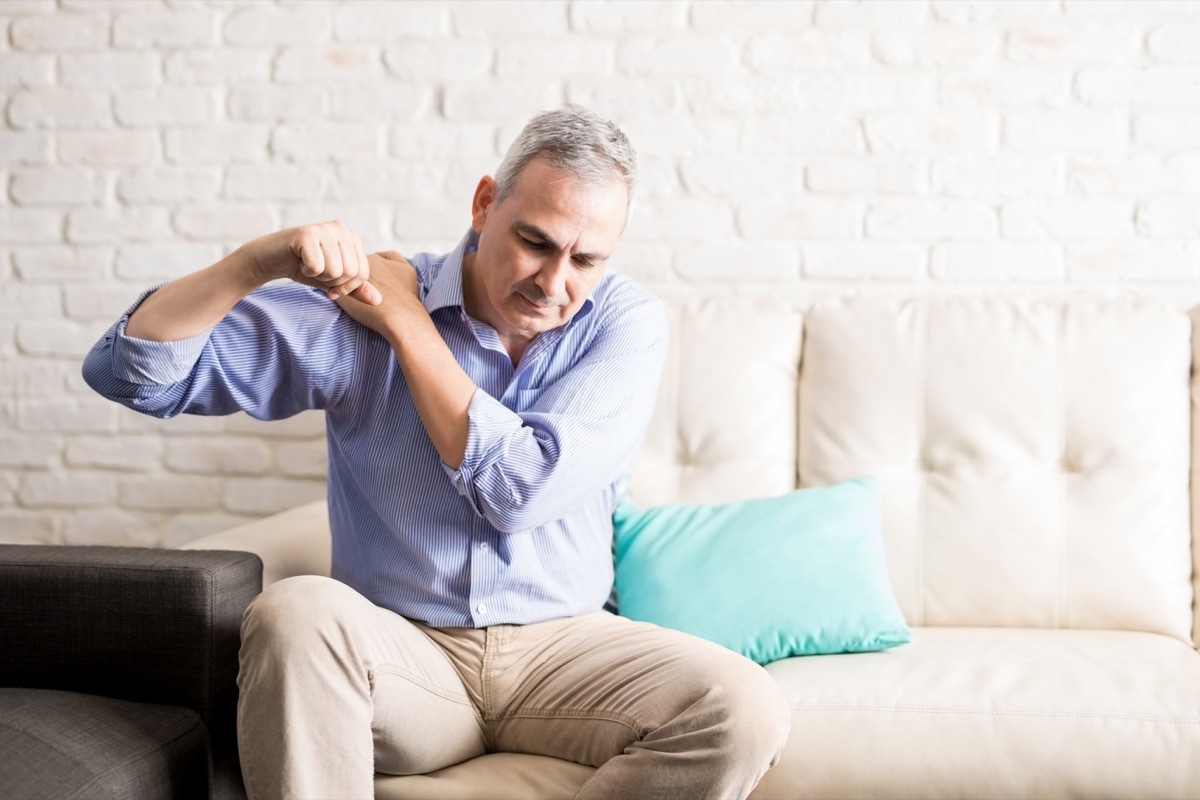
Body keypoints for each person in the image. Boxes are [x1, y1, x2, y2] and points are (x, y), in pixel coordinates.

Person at [83, 105, 790, 800]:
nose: (554, 282)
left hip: (563, 649)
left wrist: (405, 323)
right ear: (484, 204)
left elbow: (522, 490)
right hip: (408, 655)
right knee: (293, 612)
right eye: (536, 242)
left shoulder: (618, 323)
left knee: (743, 709)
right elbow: (131, 374)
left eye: (586, 259)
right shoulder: (364, 303)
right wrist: (257, 261)